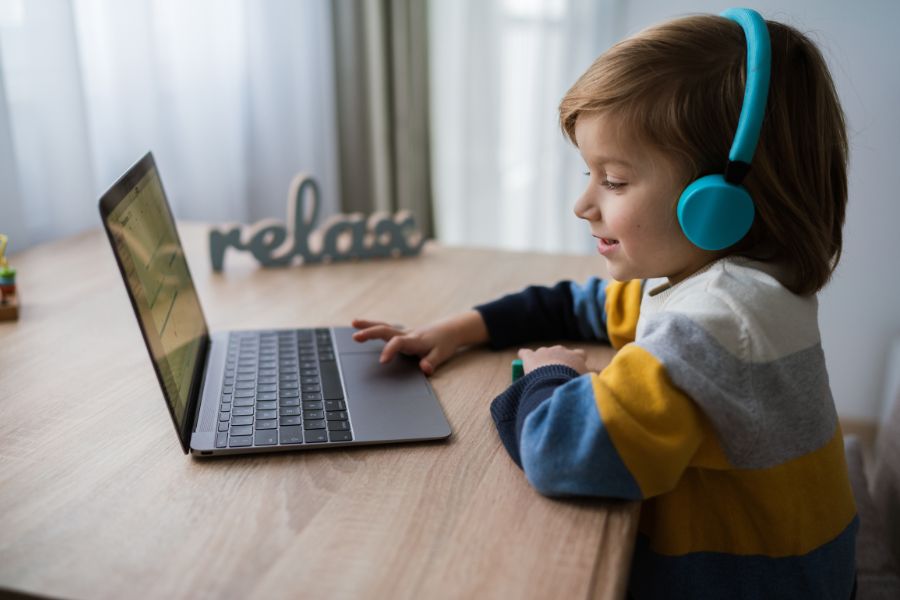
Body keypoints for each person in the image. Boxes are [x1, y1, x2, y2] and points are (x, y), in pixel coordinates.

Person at [353, 8, 856, 599]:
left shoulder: (717, 323)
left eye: (613, 181)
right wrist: (460, 329)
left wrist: (551, 375)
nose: (583, 203)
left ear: (717, 202)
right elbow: (579, 304)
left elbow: (570, 456)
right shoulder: (732, 285)